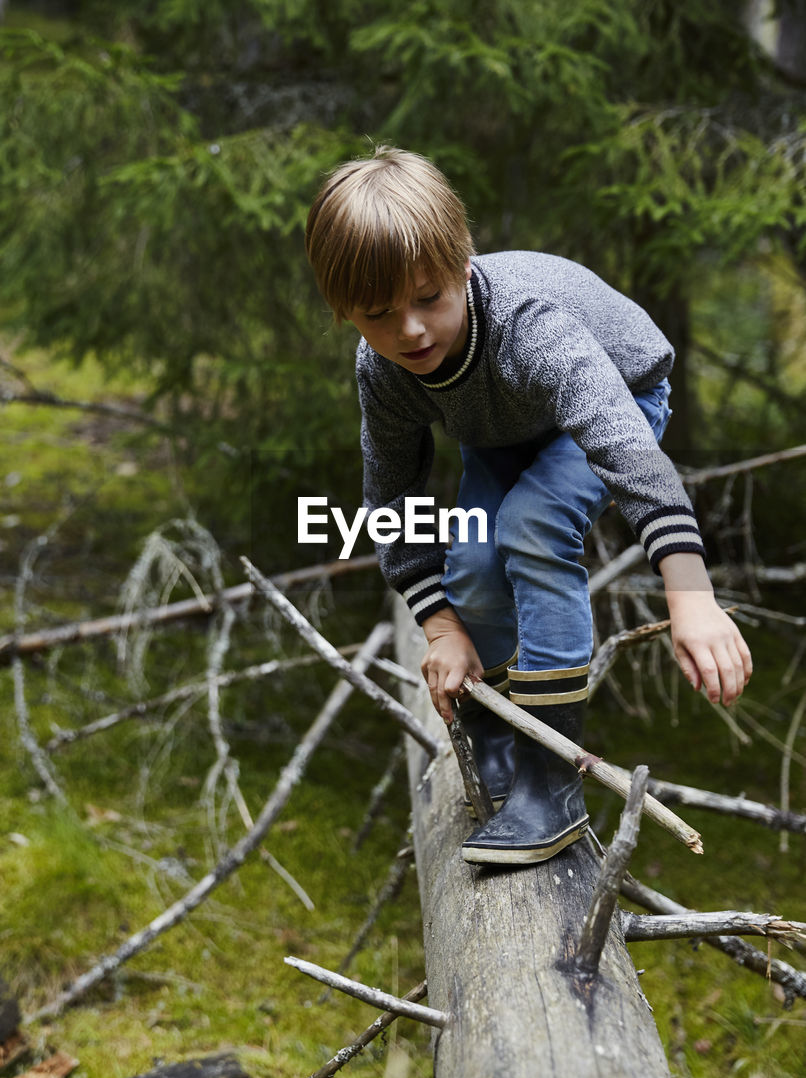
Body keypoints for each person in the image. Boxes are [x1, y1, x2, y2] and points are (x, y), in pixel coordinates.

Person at [305, 145, 752, 866]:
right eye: (378, 314)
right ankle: (502, 730)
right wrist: (441, 624)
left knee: (532, 527)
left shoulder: (528, 327)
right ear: (343, 309)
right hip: (504, 433)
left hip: (623, 397)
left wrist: (691, 594)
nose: (411, 331)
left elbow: (624, 449)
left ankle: (552, 780)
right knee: (475, 564)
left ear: (462, 265)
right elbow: (389, 499)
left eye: (429, 299)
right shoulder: (383, 371)